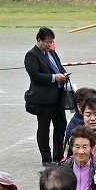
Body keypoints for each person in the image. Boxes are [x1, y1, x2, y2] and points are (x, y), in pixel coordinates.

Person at [25, 27, 72, 165]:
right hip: (44, 99)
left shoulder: (52, 53)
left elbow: (59, 68)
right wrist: (54, 78)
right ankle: (46, 158)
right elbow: (35, 75)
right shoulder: (32, 55)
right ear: (39, 40)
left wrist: (63, 75)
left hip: (58, 97)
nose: (50, 45)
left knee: (61, 126)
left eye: (51, 42)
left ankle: (58, 156)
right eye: (47, 42)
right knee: (44, 128)